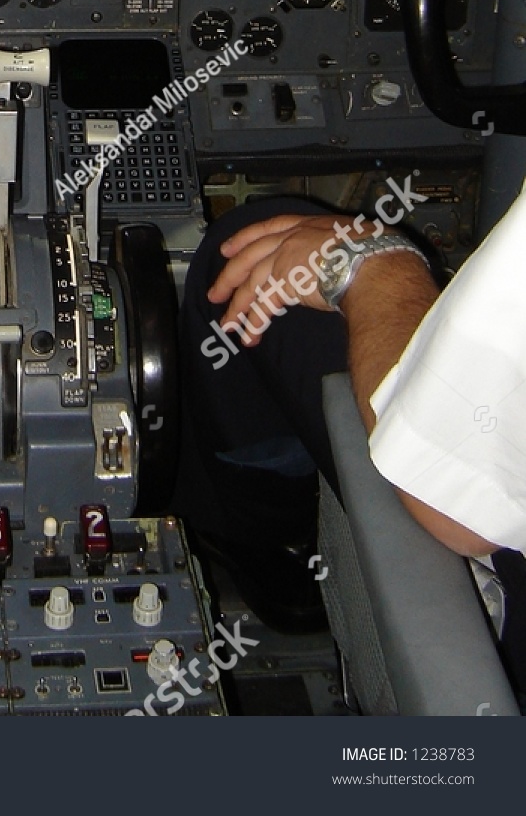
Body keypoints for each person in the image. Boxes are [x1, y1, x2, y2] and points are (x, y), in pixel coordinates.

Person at [174, 190, 526, 685]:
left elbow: (453, 484)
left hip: (490, 605)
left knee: (249, 263)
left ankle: (275, 546)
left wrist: (375, 267)